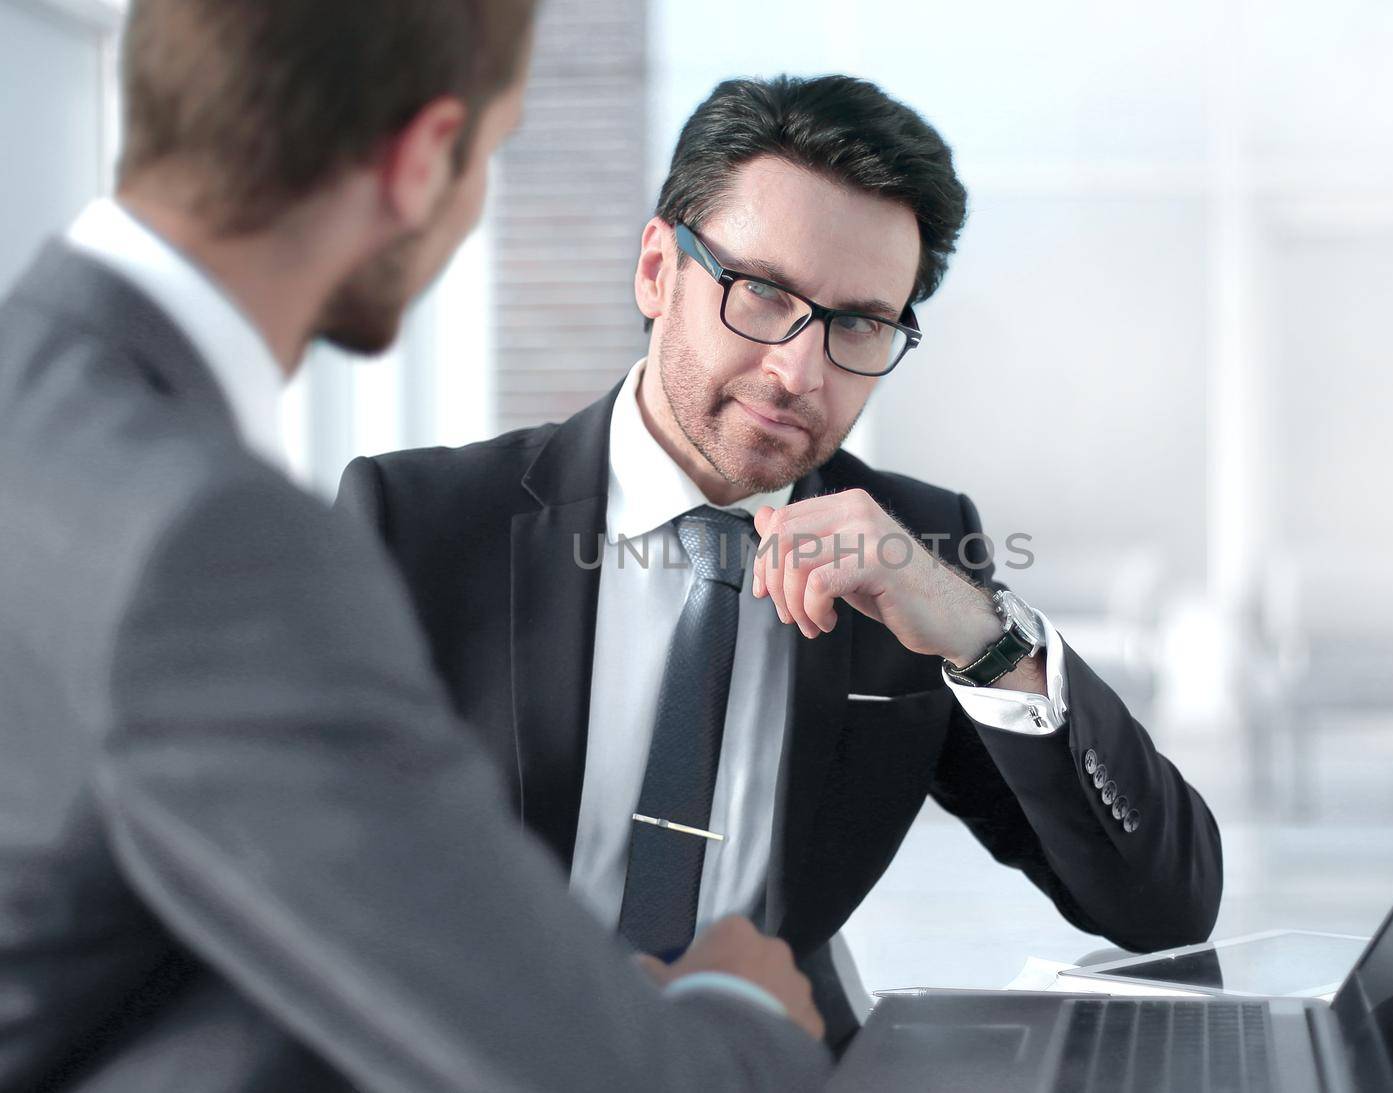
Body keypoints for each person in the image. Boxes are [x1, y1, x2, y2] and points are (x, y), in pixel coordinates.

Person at [0, 3, 831, 1090]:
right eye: (491, 153)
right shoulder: (217, 548)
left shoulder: (43, 405)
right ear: (426, 157)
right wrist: (739, 1001)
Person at [336, 74, 1225, 1049]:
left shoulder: (913, 549)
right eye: (761, 293)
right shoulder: (416, 526)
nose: (798, 371)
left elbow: (1163, 909)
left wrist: (982, 637)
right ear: (654, 273)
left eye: (857, 325)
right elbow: (304, 901)